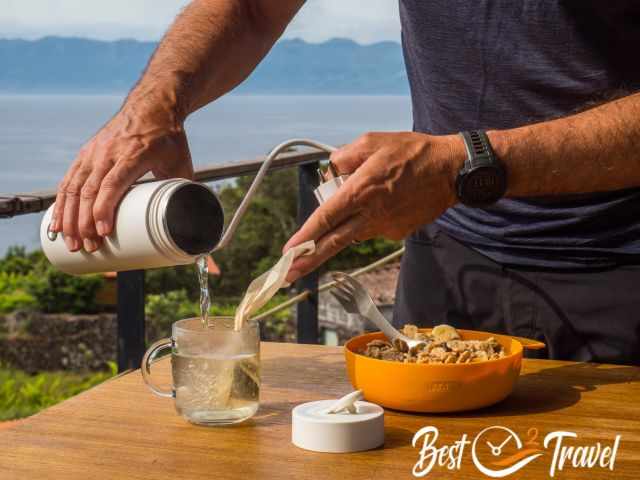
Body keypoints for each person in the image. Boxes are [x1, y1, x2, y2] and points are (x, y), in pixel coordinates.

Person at [52, 1, 640, 365]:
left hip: (621, 269)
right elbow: (254, 7)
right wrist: (156, 106)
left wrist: (468, 161)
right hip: (448, 264)